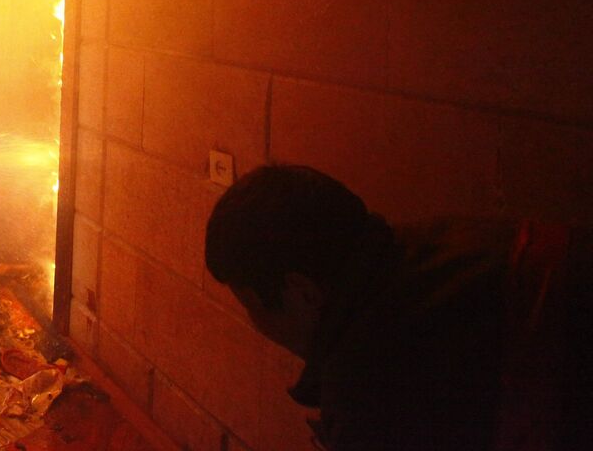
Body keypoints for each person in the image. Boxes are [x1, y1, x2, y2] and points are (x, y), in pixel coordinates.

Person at [204, 164, 591, 451]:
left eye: (253, 307)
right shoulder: (428, 248)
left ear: (302, 292)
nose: (257, 326)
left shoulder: (373, 380)